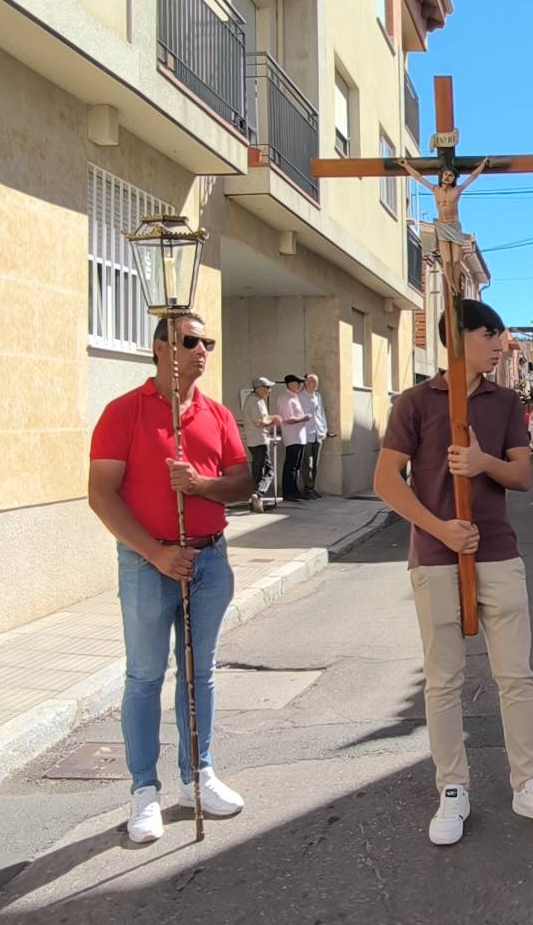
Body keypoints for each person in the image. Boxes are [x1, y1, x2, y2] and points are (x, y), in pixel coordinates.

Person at [375, 298, 533, 846]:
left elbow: (521, 476)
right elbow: (387, 481)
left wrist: (483, 462)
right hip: (438, 558)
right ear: (460, 338)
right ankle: (452, 788)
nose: (500, 344)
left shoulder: (506, 400)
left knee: (516, 677)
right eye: (491, 334)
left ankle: (527, 783)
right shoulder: (415, 403)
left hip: (498, 554)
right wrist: (438, 529)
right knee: (444, 680)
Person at [87, 314, 253, 844]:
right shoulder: (124, 412)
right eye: (189, 341)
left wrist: (203, 486)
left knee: (198, 672)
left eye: (208, 341)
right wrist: (155, 553)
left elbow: (243, 483)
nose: (201, 349)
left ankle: (198, 776)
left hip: (210, 561)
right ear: (160, 347)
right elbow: (102, 493)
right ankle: (143, 790)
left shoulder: (218, 414)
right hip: (147, 564)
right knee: (144, 675)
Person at [240, 376, 281, 511]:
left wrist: (273, 418)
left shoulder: (259, 400)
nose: (269, 391)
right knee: (268, 471)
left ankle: (255, 498)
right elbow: (260, 422)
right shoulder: (254, 402)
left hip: (260, 440)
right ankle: (258, 494)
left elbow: (264, 418)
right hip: (258, 441)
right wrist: (273, 421)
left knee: (259, 470)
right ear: (260, 389)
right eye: (267, 388)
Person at [277, 374, 311, 501]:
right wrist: (304, 418)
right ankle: (288, 492)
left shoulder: (294, 397)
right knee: (291, 465)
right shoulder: (286, 398)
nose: (300, 386)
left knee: (297, 466)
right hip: (292, 437)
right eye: (298, 383)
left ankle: (295, 490)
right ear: (291, 384)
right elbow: (288, 419)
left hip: (299, 436)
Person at [303, 373, 331, 499]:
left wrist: (324, 429)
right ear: (305, 383)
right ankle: (307, 488)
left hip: (318, 432)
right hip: (306, 433)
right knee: (307, 463)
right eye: (310, 381)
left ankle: (312, 487)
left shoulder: (318, 396)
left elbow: (321, 413)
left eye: (315, 382)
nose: (312, 384)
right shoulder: (300, 396)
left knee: (315, 463)